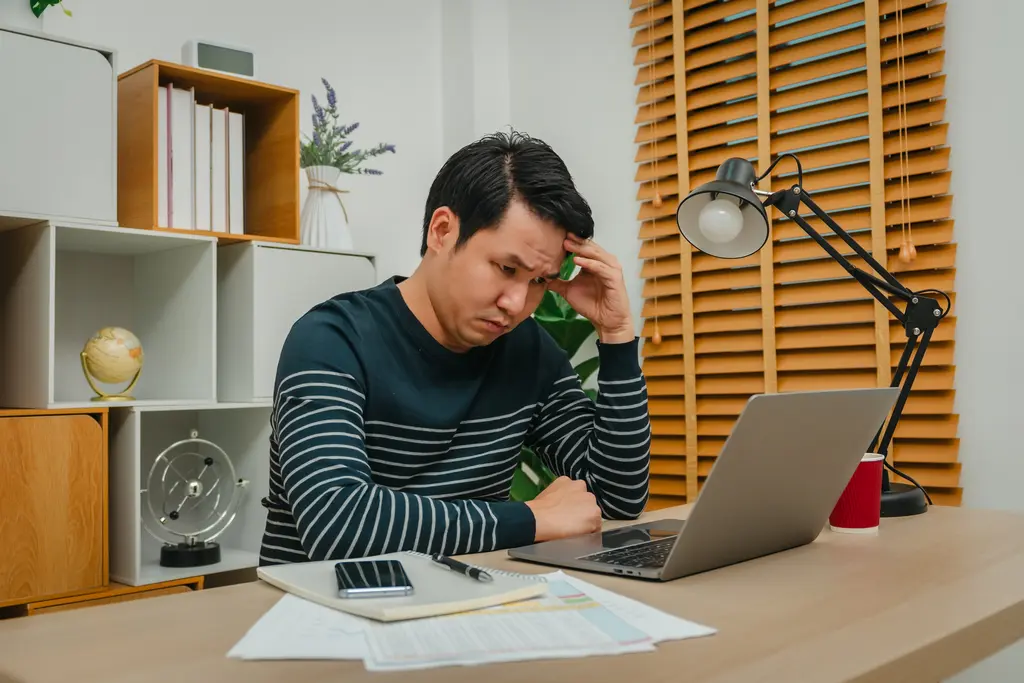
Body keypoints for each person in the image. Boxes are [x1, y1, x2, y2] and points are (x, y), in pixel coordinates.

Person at [258, 130, 652, 566]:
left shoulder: (526, 350)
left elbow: (617, 497)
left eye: (539, 281)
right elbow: (338, 524)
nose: (517, 304)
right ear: (442, 231)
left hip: (466, 608)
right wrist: (532, 519)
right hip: (326, 617)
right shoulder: (330, 340)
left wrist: (616, 334)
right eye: (506, 268)